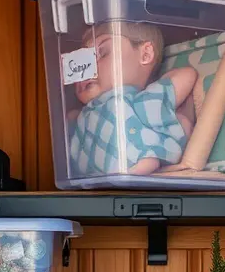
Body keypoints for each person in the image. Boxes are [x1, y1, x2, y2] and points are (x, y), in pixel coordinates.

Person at [69, 21, 198, 177]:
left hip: (129, 164)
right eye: (81, 64)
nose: (87, 69)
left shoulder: (130, 101)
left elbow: (187, 75)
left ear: (145, 55)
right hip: (87, 179)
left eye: (102, 53)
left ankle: (141, 165)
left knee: (178, 121)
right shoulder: (82, 116)